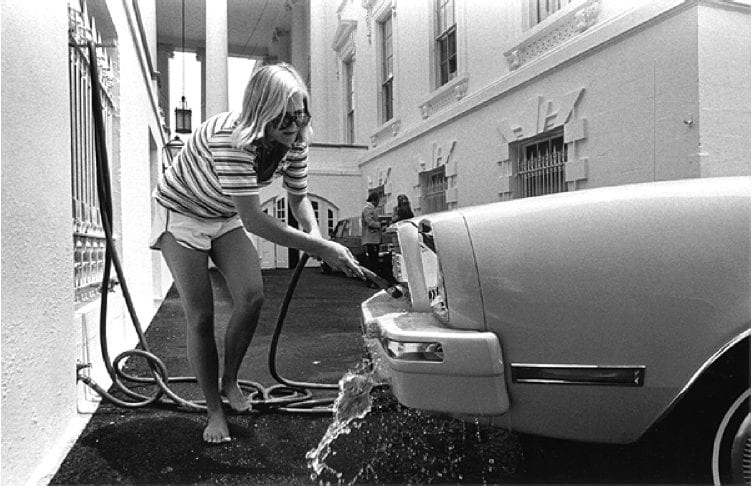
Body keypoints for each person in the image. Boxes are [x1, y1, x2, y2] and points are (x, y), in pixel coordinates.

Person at [150, 63, 364, 444]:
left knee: (251, 296)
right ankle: (214, 412)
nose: (295, 125)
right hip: (182, 213)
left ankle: (230, 380)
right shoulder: (231, 138)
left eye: (302, 114)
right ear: (262, 111)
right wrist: (324, 248)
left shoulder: (296, 140)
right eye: (285, 117)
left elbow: (298, 199)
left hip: (224, 213)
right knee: (201, 315)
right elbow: (255, 220)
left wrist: (315, 236)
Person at [361, 191, 382, 285]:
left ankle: (373, 281)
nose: (378, 203)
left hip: (374, 239)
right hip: (371, 239)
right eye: (378, 201)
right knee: (372, 262)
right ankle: (370, 282)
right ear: (373, 200)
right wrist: (380, 225)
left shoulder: (371, 209)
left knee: (374, 262)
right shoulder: (368, 209)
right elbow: (369, 222)